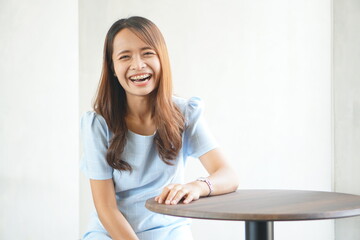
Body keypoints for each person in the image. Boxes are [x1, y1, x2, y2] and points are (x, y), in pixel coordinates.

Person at [80, 16, 239, 240]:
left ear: (161, 58)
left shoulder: (185, 113)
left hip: (170, 232)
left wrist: (198, 186)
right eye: (125, 57)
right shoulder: (98, 124)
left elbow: (228, 175)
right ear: (113, 68)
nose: (138, 65)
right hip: (111, 233)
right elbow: (106, 208)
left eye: (147, 53)